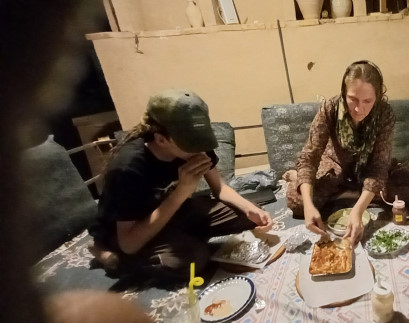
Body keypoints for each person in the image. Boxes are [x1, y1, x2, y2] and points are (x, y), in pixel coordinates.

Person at [88, 89, 273, 280]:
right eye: (190, 143)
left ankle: (184, 236)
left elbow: (220, 187)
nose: (199, 149)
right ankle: (105, 251)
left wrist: (250, 209)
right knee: (195, 260)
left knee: (250, 215)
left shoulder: (198, 144)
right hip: (131, 232)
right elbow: (129, 243)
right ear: (161, 139)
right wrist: (181, 192)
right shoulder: (128, 167)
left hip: (177, 211)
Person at [285, 60, 409, 244]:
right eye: (353, 99)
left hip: (368, 169)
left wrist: (357, 211)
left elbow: (379, 167)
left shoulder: (384, 114)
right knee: (297, 201)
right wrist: (309, 206)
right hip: (335, 166)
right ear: (343, 93)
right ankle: (347, 190)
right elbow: (310, 157)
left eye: (368, 101)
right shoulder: (330, 108)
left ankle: (346, 194)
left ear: (378, 96)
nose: (359, 109)